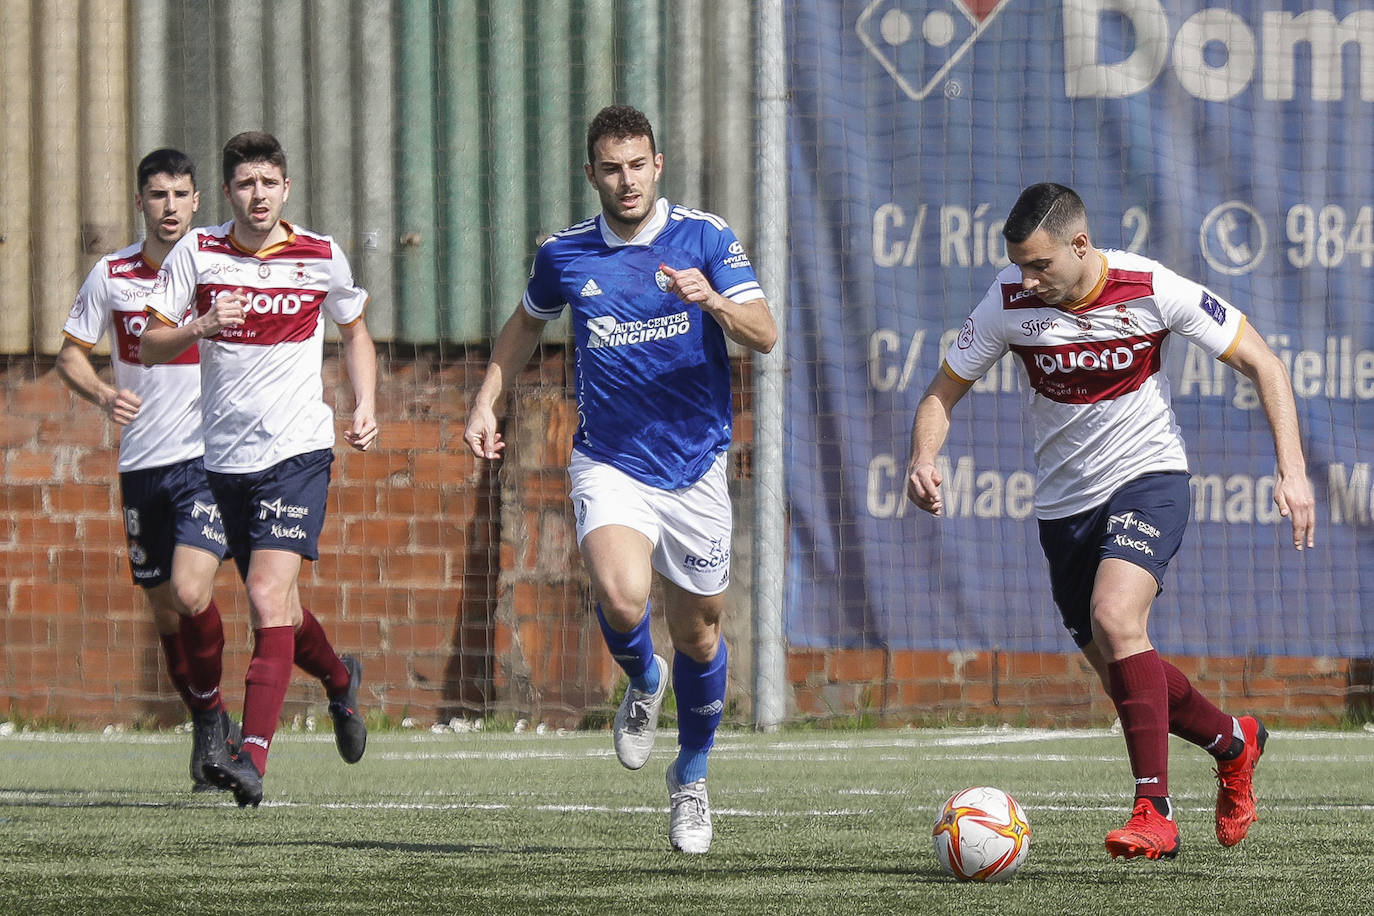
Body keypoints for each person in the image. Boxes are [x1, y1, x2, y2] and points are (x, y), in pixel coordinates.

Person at [905, 183, 1315, 861]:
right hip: (1064, 507)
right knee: (1122, 671)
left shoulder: (1150, 287)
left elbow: (1264, 363)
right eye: (1020, 266)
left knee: (1117, 618)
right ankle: (1235, 743)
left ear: (1080, 244)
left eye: (1040, 265)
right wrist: (924, 456)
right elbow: (941, 392)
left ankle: (1155, 812)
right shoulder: (1007, 300)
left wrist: (1292, 470)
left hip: (1150, 477)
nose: (1027, 280)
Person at [464, 104, 777, 853]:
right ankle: (643, 678)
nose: (627, 181)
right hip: (610, 459)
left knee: (700, 635)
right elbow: (525, 324)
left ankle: (690, 777)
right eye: (612, 169)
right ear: (591, 174)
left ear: (657, 165)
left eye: (638, 165)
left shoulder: (706, 237)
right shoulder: (565, 254)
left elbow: (765, 333)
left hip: (696, 465)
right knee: (622, 593)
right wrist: (485, 399)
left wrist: (713, 301)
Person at [140, 131, 378, 808]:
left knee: (267, 597)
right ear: (227, 192)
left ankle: (251, 757)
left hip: (297, 453)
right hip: (223, 462)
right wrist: (200, 325)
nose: (258, 195)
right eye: (246, 184)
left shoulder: (319, 255)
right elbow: (151, 344)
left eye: (269, 182)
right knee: (282, 612)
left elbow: (355, 330)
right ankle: (339, 679)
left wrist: (365, 402)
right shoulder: (198, 252)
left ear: (286, 188)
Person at [57, 148, 237, 792]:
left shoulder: (219, 267)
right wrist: (104, 394)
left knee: (191, 593)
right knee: (164, 611)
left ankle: (214, 725)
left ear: (197, 201)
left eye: (181, 195)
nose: (170, 207)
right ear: (141, 202)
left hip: (206, 460)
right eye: (158, 195)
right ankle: (209, 719)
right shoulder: (111, 274)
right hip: (141, 465)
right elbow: (69, 355)